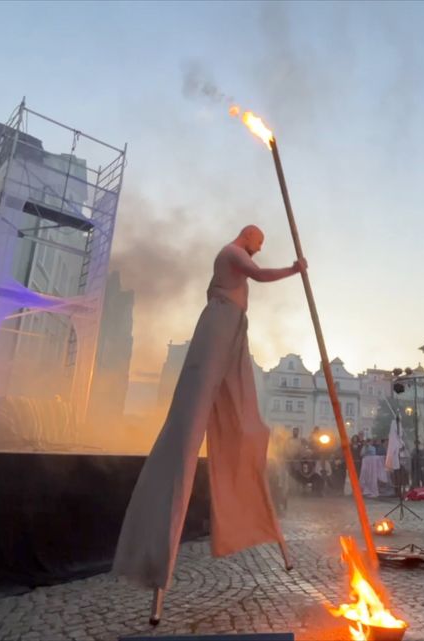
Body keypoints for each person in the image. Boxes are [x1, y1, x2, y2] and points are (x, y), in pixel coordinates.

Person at [112, 225, 306, 623]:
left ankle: (253, 523)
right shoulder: (233, 253)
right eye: (258, 242)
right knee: (189, 424)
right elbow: (260, 275)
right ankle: (155, 558)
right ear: (249, 237)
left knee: (250, 428)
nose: (257, 247)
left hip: (235, 328)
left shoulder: (238, 257)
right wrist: (294, 269)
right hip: (219, 324)